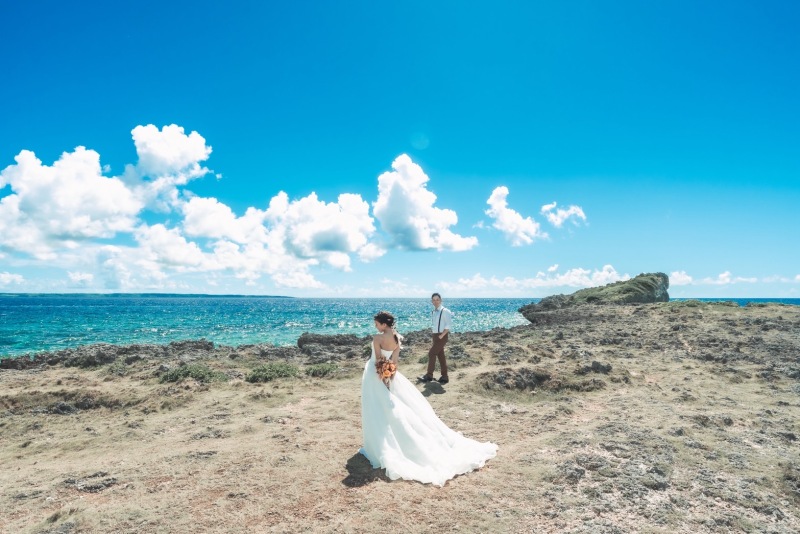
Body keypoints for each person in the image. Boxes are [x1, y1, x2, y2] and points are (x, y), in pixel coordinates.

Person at [359, 311, 497, 487]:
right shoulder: (396, 338)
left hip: (374, 374)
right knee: (389, 407)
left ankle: (380, 445)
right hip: (389, 375)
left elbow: (378, 359)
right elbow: (394, 361)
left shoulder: (377, 338)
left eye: (377, 323)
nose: (375, 326)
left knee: (375, 407)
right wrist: (390, 378)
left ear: (383, 324)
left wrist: (382, 377)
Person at [419, 292, 453, 384]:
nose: (436, 301)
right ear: (431, 301)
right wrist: (435, 336)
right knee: (441, 356)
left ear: (440, 300)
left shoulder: (445, 311)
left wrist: (441, 335)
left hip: (442, 336)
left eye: (437, 299)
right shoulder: (433, 312)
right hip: (435, 336)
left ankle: (429, 375)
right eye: (434, 300)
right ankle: (445, 377)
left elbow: (448, 325)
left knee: (431, 353)